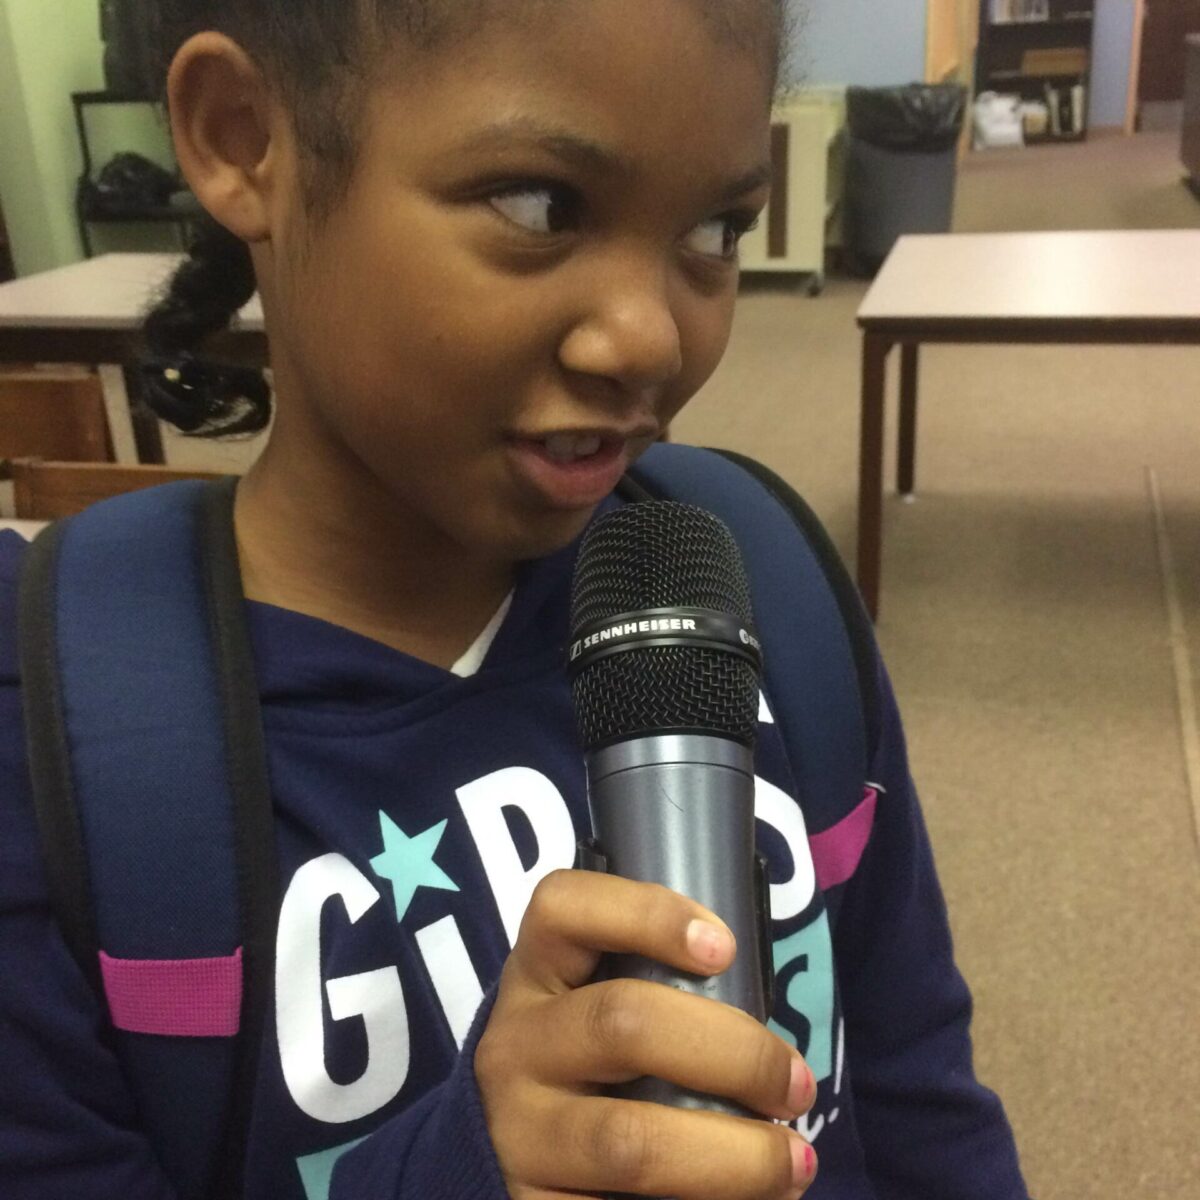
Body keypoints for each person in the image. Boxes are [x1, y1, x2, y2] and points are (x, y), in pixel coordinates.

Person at [0, 2, 1032, 1198]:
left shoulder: (761, 583)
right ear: (243, 138)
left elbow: (918, 1093)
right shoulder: (53, 749)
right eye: (541, 207)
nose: (647, 339)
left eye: (714, 226)